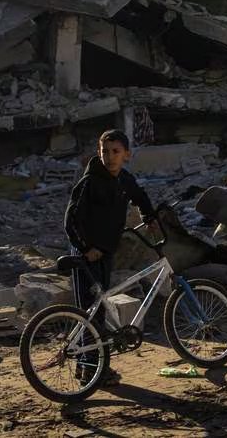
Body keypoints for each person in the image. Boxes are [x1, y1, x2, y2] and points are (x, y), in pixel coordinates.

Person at [64, 130, 159, 382]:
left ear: (126, 155)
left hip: (105, 252)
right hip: (87, 255)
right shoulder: (89, 183)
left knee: (100, 309)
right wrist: (86, 248)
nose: (109, 156)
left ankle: (89, 367)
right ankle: (93, 371)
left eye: (115, 151)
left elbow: (140, 196)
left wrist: (150, 218)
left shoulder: (123, 179)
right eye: (105, 151)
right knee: (91, 311)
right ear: (99, 153)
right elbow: (71, 221)